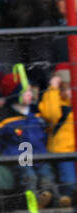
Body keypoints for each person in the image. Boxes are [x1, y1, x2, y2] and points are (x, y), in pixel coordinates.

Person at [0, 73, 59, 209]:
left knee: (47, 175)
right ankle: (32, 202)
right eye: (25, 91)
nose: (30, 93)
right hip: (19, 158)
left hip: (40, 156)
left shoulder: (37, 113)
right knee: (29, 176)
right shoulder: (3, 117)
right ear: (14, 93)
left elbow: (46, 133)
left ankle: (51, 200)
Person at [39, 67, 74, 205]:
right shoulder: (54, 101)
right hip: (62, 150)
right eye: (63, 88)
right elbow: (52, 115)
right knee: (68, 180)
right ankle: (65, 199)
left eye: (70, 88)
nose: (67, 92)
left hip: (71, 150)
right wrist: (52, 89)